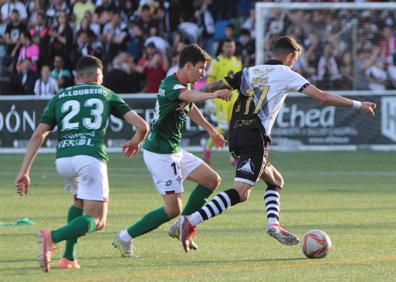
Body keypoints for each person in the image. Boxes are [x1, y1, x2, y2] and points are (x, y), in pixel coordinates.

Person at [179, 36, 377, 252]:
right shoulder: (285, 73)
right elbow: (321, 97)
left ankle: (273, 224)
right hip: (255, 136)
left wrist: (191, 96)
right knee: (241, 191)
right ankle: (191, 221)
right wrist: (358, 104)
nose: (293, 64)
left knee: (275, 180)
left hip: (236, 134)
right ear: (289, 56)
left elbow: (218, 85)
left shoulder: (250, 71)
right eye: (294, 60)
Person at [15, 55, 149, 272]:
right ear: (98, 76)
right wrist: (135, 141)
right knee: (97, 220)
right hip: (90, 156)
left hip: (64, 160)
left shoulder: (61, 95)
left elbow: (38, 134)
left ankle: (68, 258)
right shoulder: (105, 93)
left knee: (79, 203)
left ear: (78, 76)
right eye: (102, 75)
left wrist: (24, 171)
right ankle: (52, 237)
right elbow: (142, 126)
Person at [112, 44, 231, 257]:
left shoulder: (184, 86)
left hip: (173, 149)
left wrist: (211, 130)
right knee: (171, 209)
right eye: (201, 67)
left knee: (211, 180)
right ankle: (125, 237)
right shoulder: (170, 84)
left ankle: (182, 225)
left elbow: (189, 106)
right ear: (188, 65)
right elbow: (191, 98)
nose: (203, 72)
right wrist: (214, 94)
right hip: (160, 154)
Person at [203, 39, 242, 165]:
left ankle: (233, 156)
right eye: (227, 46)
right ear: (223, 47)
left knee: (233, 127)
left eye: (231, 46)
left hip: (234, 97)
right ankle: (207, 148)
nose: (229, 49)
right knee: (223, 127)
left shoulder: (237, 62)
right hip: (220, 98)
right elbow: (211, 80)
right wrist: (209, 98)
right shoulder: (217, 62)